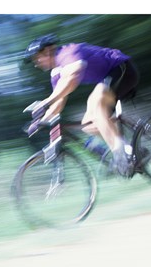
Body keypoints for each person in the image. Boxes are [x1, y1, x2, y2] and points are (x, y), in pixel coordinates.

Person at [23, 34, 140, 175]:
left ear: (47, 51)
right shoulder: (56, 73)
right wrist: (41, 121)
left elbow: (72, 78)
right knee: (88, 125)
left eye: (36, 58)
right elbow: (58, 101)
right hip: (107, 78)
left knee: (95, 101)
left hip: (122, 69)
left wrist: (45, 102)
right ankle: (131, 151)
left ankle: (120, 155)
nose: (36, 63)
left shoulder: (67, 53)